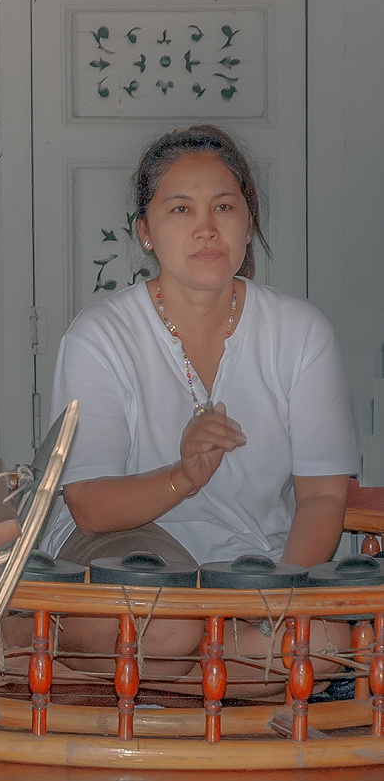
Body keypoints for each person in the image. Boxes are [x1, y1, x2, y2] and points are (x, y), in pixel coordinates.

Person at [35, 124, 358, 696]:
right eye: (181, 208)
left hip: (249, 567)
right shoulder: (99, 336)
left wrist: (277, 596)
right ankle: (179, 671)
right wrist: (183, 477)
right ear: (146, 233)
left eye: (224, 207)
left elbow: (323, 496)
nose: (207, 227)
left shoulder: (302, 332)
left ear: (248, 223)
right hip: (122, 552)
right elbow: (89, 505)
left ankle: (51, 669)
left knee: (326, 647)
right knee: (166, 629)